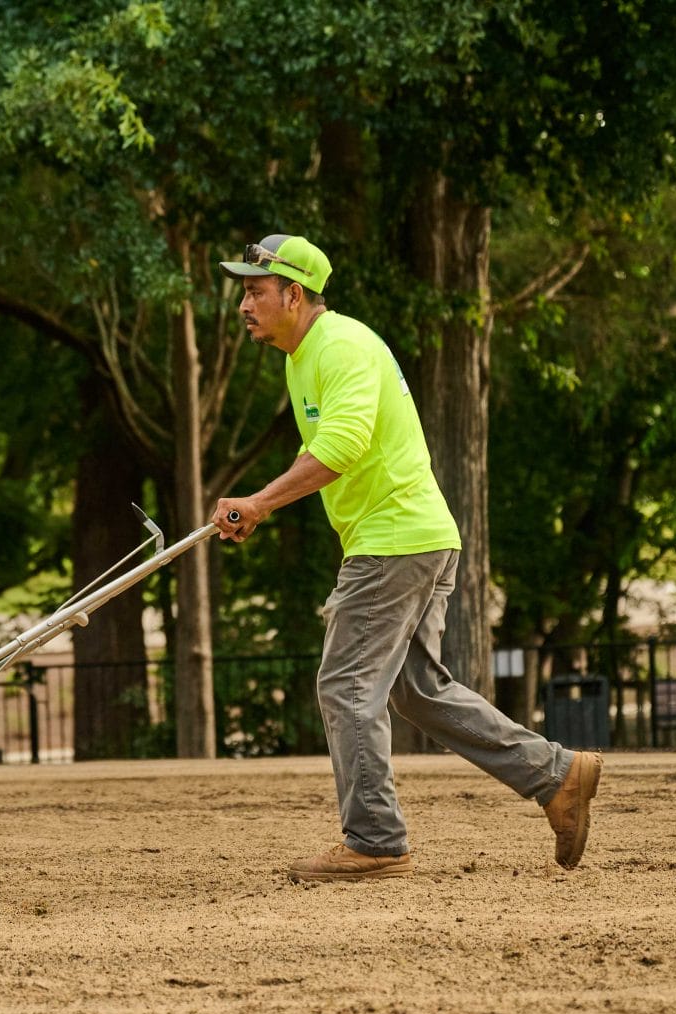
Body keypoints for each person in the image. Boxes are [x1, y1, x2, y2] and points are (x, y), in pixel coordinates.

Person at [210, 234, 602, 881]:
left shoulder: (338, 347)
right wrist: (262, 505)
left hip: (393, 541)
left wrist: (259, 502)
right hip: (411, 535)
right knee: (418, 691)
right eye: (245, 292)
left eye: (254, 291)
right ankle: (556, 775)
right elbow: (338, 457)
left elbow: (341, 448)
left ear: (294, 293)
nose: (245, 305)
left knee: (345, 684)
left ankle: (374, 840)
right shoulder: (303, 357)